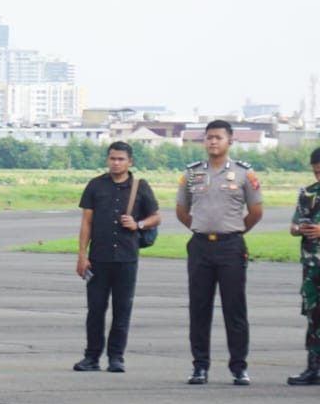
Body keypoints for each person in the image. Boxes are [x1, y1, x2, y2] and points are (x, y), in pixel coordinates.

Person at [175, 120, 263, 385]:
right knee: (199, 309)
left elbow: (256, 211)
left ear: (230, 141)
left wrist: (234, 231)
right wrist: (202, 228)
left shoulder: (244, 173)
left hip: (231, 247)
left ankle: (239, 367)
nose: (213, 142)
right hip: (201, 246)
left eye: (218, 137)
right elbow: (182, 210)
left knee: (234, 309)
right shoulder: (193, 173)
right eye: (209, 137)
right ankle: (200, 366)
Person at [74, 142, 161, 373]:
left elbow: (156, 217)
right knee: (95, 309)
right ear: (107, 160)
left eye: (121, 159)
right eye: (112, 158)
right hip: (99, 258)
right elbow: (86, 222)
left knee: (122, 309)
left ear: (130, 162)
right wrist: (82, 254)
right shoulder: (95, 185)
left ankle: (116, 357)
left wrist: (138, 224)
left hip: (126, 258)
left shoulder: (140, 187)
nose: (116, 163)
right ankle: (92, 357)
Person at [287, 147, 320, 385]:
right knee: (313, 315)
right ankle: (313, 368)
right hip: (312, 266)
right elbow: (293, 226)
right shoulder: (308, 194)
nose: (318, 176)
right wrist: (301, 229)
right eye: (316, 172)